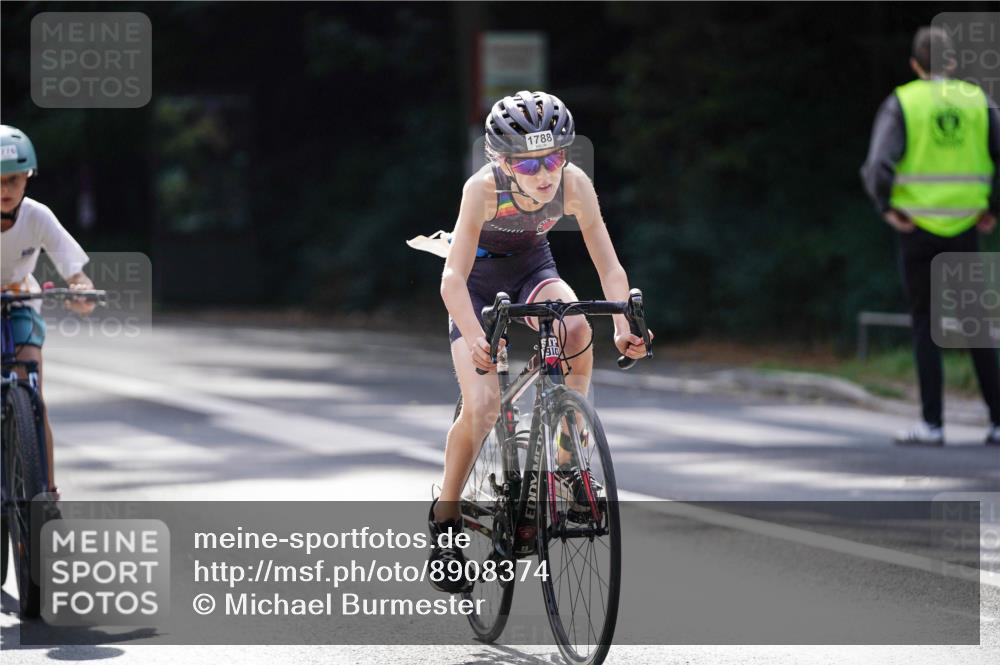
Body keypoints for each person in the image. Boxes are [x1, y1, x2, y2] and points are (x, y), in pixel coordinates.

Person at [426, 91, 651, 593]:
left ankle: (570, 465)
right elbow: (451, 281)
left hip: (532, 268)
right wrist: (477, 335)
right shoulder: (480, 191)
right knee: (483, 407)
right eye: (529, 165)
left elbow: (608, 266)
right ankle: (445, 517)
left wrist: (624, 325)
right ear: (501, 162)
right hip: (478, 286)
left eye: (553, 157)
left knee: (575, 326)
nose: (544, 173)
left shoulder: (574, 185)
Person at [860, 27, 1000, 446]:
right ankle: (997, 421)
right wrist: (991, 207)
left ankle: (933, 424)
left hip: (917, 227)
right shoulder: (978, 101)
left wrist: (887, 209)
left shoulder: (903, 101)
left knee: (925, 323)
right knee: (976, 324)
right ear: (953, 62)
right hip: (966, 226)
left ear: (915, 64)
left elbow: (878, 166)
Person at [1, 124, 95, 494]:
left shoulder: (37, 216)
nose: (5, 190)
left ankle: (47, 493)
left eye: (13, 180)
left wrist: (81, 291)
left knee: (32, 393)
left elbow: (75, 272)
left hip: (20, 299)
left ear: (28, 177)